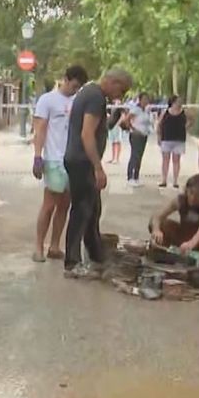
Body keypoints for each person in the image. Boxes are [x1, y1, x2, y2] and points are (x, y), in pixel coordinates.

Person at [64, 68, 132, 278]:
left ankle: (96, 255)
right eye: (122, 90)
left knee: (93, 211)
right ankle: (72, 262)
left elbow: (97, 129)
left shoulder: (92, 94)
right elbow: (87, 134)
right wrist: (97, 167)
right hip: (82, 162)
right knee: (82, 211)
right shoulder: (95, 97)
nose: (120, 96)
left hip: (79, 160)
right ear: (113, 81)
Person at [31, 65, 88, 262]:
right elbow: (40, 130)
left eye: (79, 87)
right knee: (49, 205)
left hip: (72, 160)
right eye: (73, 85)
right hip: (54, 159)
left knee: (65, 205)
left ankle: (54, 246)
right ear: (65, 79)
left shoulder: (79, 101)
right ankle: (38, 246)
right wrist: (38, 156)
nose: (75, 90)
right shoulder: (47, 100)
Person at [157, 95, 188, 189]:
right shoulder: (165, 112)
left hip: (179, 139)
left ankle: (175, 181)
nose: (180, 103)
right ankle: (164, 180)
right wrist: (159, 136)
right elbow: (159, 124)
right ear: (173, 102)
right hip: (166, 138)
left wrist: (186, 127)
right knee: (165, 160)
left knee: (176, 160)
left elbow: (192, 119)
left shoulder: (184, 112)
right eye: (178, 101)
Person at [125, 92, 154, 186]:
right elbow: (127, 120)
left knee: (140, 156)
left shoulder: (146, 110)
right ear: (140, 100)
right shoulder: (135, 110)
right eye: (144, 99)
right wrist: (133, 129)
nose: (146, 101)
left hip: (144, 135)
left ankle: (136, 177)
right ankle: (130, 177)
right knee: (135, 155)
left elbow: (148, 122)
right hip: (136, 135)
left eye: (147, 99)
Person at [107, 98, 127, 164]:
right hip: (111, 126)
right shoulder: (111, 105)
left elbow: (123, 116)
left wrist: (118, 124)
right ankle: (113, 158)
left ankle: (117, 158)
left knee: (118, 142)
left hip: (117, 126)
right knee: (113, 142)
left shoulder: (120, 106)